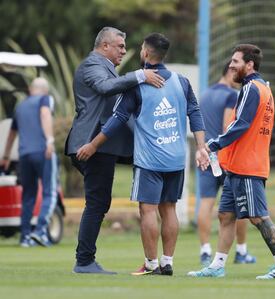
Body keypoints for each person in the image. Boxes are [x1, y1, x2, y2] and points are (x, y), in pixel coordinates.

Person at [76, 32, 209, 276]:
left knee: (147, 211)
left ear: (146, 54)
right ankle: (168, 262)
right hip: (176, 158)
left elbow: (117, 119)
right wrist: (201, 147)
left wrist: (93, 145)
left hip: (150, 160)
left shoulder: (138, 85)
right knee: (169, 209)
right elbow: (195, 113)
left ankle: (151, 263)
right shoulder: (182, 81)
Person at [187, 44, 275, 279]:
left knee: (257, 216)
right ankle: (217, 265)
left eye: (235, 61)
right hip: (236, 165)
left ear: (249, 65)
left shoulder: (251, 89)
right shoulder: (261, 87)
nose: (231, 65)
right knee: (226, 215)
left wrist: (210, 146)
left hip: (248, 165)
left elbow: (240, 124)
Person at [65, 27, 165, 275]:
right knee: (97, 202)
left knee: (99, 202)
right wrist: (140, 75)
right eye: (120, 46)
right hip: (91, 143)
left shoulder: (106, 67)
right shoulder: (92, 65)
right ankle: (84, 261)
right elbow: (105, 87)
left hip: (106, 146)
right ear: (105, 46)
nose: (123, 50)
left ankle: (85, 260)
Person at [197, 61, 256, 266]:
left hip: (206, 154)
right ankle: (241, 251)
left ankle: (205, 250)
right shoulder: (232, 95)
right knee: (239, 205)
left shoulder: (205, 94)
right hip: (224, 156)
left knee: (206, 202)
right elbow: (227, 125)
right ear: (231, 73)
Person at [0, 77, 57, 247]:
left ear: (31, 89)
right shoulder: (45, 99)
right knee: (49, 192)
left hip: (24, 155)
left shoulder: (21, 106)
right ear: (45, 90)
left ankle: (25, 236)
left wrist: (6, 157)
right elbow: (45, 114)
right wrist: (50, 141)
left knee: (28, 196)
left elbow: (12, 134)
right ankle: (40, 232)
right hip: (42, 152)